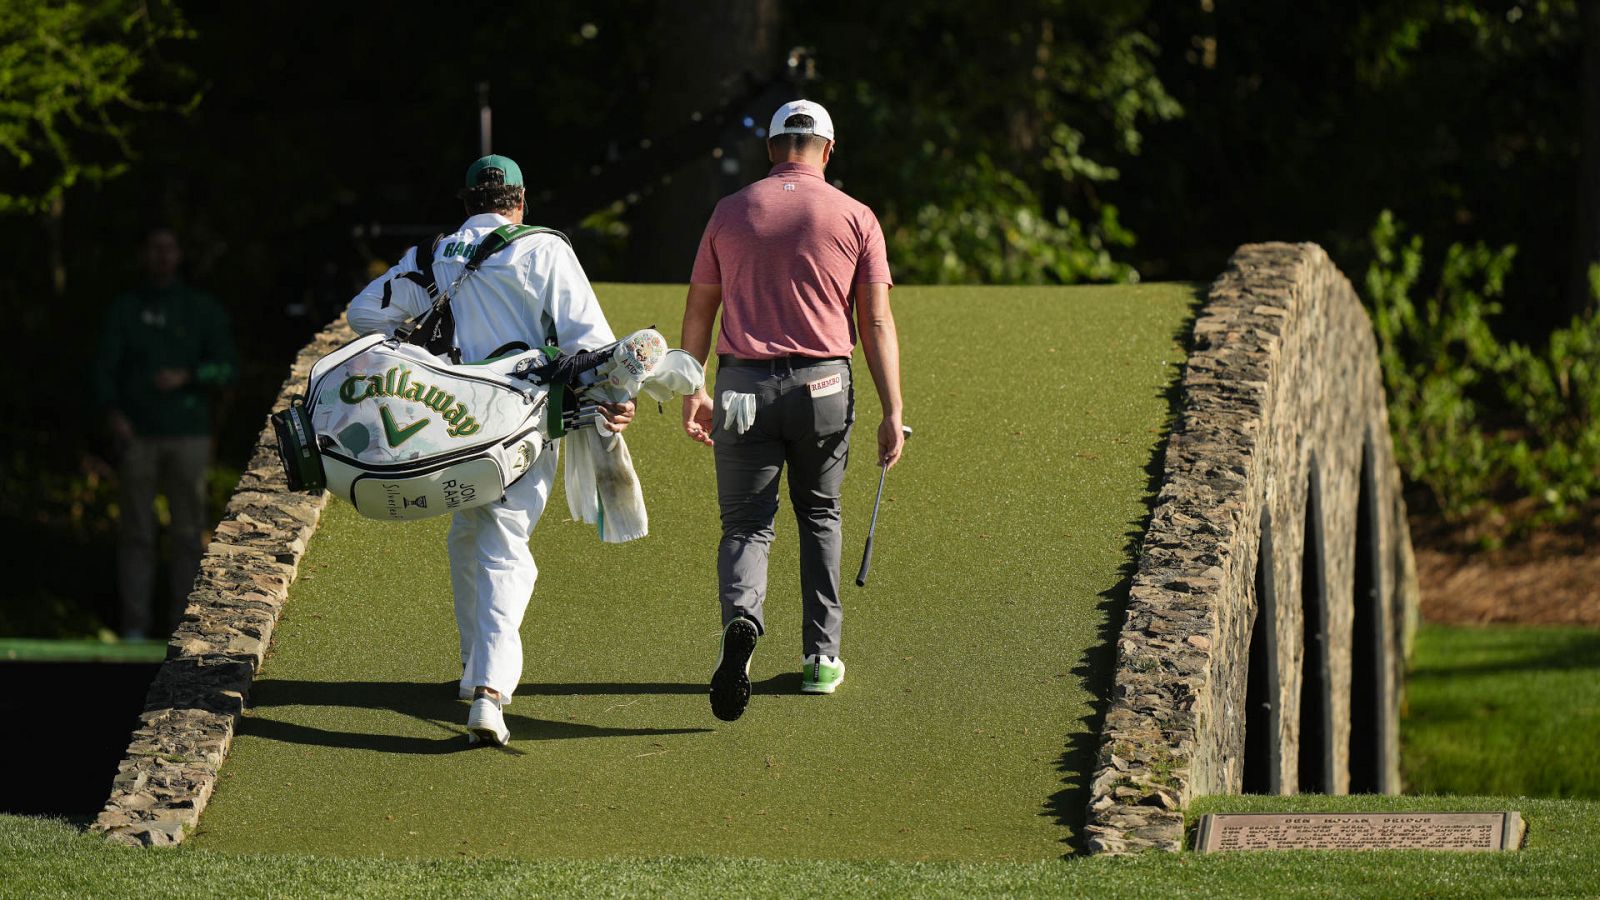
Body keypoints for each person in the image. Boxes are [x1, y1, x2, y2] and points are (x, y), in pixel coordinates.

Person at [346, 155, 635, 746]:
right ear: (521, 200)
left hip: (448, 424)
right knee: (505, 546)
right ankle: (489, 693)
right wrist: (614, 399)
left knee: (468, 537)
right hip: (520, 419)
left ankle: (472, 668)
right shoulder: (544, 249)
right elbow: (594, 344)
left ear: (468, 201)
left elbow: (364, 314)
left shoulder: (431, 255)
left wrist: (420, 355)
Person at [680, 100, 904, 722]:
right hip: (824, 387)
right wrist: (892, 408)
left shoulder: (729, 211)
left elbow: (701, 308)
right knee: (821, 515)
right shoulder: (856, 216)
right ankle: (820, 659)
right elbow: (876, 320)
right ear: (827, 150)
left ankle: (742, 626)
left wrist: (692, 387)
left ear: (772, 147)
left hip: (742, 387)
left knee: (746, 525)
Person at [96, 227, 238, 641]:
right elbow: (104, 367)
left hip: (188, 434)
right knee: (137, 530)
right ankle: (135, 627)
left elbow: (227, 366)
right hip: (138, 433)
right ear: (144, 254)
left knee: (187, 531)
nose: (161, 256)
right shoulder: (127, 308)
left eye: (168, 249)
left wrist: (189, 376)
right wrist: (112, 413)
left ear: (179, 255)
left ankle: (184, 624)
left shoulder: (200, 309)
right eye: (153, 248)